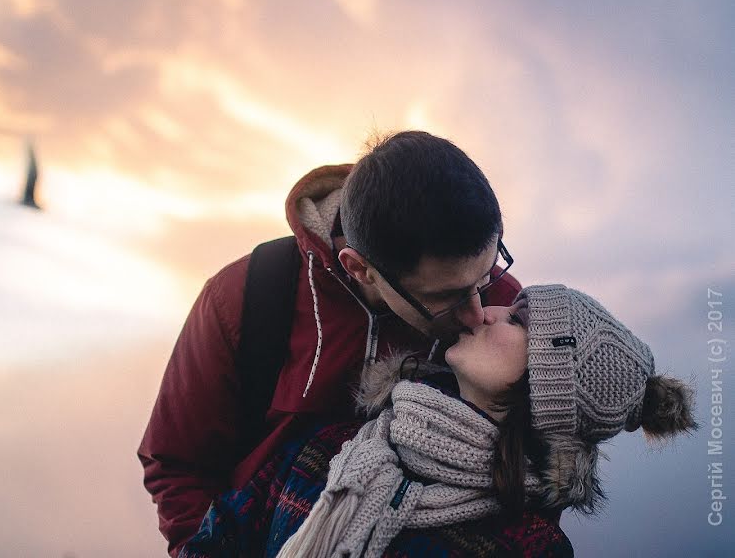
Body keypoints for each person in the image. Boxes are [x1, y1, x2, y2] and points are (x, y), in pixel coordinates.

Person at [138, 131, 523, 556]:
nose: (476, 312)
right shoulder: (245, 297)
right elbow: (177, 465)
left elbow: (542, 461)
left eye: (488, 272)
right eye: (445, 297)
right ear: (359, 268)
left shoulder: (505, 312)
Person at [179, 284, 697, 557]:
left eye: (517, 321)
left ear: (549, 383)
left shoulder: (528, 546)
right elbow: (214, 540)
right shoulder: (332, 445)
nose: (486, 312)